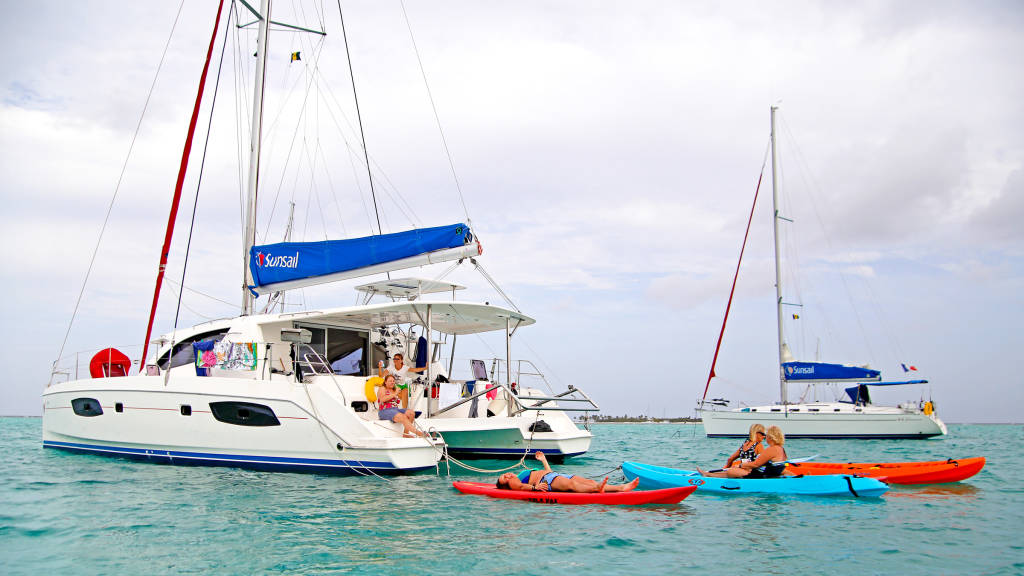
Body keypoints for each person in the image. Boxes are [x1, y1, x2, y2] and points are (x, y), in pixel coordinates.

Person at [496, 451, 640, 493]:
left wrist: (544, 460)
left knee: (589, 481)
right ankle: (596, 489)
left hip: (553, 475)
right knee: (572, 484)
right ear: (506, 485)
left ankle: (621, 488)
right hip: (547, 482)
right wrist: (535, 488)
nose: (508, 475)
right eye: (505, 478)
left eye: (505, 474)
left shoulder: (518, 476)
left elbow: (547, 472)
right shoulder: (515, 482)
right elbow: (520, 487)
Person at [699, 425, 788, 478]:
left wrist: (742, 465)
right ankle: (708, 474)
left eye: (766, 435)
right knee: (733, 470)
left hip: (761, 476)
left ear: (771, 437)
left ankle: (708, 475)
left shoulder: (772, 449)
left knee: (731, 471)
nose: (765, 437)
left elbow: (756, 464)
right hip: (769, 474)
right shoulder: (781, 449)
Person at [376, 373, 423, 438]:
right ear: (385, 382)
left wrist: (402, 391)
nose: (392, 382)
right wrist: (395, 393)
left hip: (395, 410)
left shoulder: (394, 390)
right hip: (384, 411)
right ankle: (419, 433)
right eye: (390, 381)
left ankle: (406, 434)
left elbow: (401, 399)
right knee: (403, 416)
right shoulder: (382, 388)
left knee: (411, 413)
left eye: (393, 381)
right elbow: (382, 399)